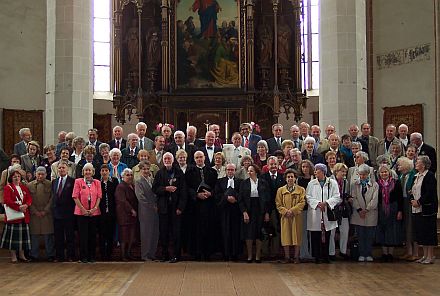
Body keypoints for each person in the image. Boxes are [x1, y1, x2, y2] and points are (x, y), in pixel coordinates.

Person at [153, 152, 187, 263]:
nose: (167, 160)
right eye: (165, 159)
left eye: (169, 159)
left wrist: (180, 208)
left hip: (175, 208)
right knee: (164, 232)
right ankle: (164, 255)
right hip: (163, 208)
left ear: (173, 160)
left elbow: (183, 192)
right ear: (163, 160)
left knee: (176, 233)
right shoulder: (159, 173)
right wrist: (165, 189)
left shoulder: (179, 173)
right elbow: (155, 189)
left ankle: (176, 255)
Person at [306, 163, 341, 264]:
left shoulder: (332, 183)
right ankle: (316, 256)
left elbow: (336, 196)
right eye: (315, 170)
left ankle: (326, 256)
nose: (316, 172)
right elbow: (308, 196)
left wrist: (326, 203)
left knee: (327, 235)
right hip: (315, 212)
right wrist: (317, 204)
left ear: (323, 172)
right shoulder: (311, 183)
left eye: (318, 170)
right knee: (315, 235)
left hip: (327, 211)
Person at [186, 151, 218, 260]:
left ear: (204, 158)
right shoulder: (189, 172)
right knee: (196, 229)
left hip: (209, 205)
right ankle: (197, 253)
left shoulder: (212, 171)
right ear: (194, 159)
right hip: (196, 206)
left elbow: (217, 187)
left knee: (209, 228)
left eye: (201, 157)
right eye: (197, 158)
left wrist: (211, 193)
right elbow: (187, 188)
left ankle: (208, 253)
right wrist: (196, 195)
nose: (199, 159)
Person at [238, 164, 270, 263]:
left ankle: (258, 256)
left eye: (251, 171)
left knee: (259, 232)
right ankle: (249, 255)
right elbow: (240, 199)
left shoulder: (263, 182)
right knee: (249, 233)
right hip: (249, 209)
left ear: (256, 172)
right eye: (248, 171)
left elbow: (268, 199)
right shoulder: (244, 183)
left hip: (260, 209)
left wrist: (267, 212)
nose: (249, 173)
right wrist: (244, 212)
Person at [1, 165, 32, 263]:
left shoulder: (23, 187)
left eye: (18, 176)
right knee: (13, 238)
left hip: (24, 216)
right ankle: (13, 256)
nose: (17, 178)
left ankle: (22, 255)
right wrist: (18, 207)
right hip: (14, 216)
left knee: (22, 238)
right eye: (15, 176)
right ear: (11, 178)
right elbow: (7, 201)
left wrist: (26, 205)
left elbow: (29, 198)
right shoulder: (8, 188)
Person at [72, 163, 101, 263]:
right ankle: (83, 256)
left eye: (89, 170)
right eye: (86, 170)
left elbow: (99, 197)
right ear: (83, 172)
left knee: (92, 235)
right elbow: (75, 196)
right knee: (83, 236)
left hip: (94, 212)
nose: (88, 172)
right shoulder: (78, 181)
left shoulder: (97, 182)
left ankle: (92, 256)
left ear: (93, 172)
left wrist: (94, 208)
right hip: (81, 213)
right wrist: (83, 209)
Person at [411, 156, 438, 264]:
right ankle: (424, 255)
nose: (416, 163)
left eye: (418, 162)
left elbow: (429, 192)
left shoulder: (429, 176)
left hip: (427, 208)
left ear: (424, 164)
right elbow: (413, 190)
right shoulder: (416, 176)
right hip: (417, 208)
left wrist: (419, 202)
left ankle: (430, 256)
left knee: (429, 232)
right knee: (421, 232)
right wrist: (413, 200)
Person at [275, 169, 306, 264]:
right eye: (288, 177)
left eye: (292, 176)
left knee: (297, 236)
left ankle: (296, 257)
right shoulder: (281, 190)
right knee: (286, 236)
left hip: (296, 216)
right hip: (285, 217)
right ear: (285, 179)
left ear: (295, 178)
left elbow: (302, 202)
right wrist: (285, 211)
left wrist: (292, 211)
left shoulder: (301, 190)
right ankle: (287, 257)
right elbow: (278, 203)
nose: (290, 178)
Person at [350, 164, 379, 262]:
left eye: (364, 174)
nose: (362, 176)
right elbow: (354, 198)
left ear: (368, 174)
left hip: (370, 213)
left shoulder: (375, 185)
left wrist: (367, 209)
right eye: (360, 174)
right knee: (361, 235)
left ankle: (369, 253)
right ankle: (362, 253)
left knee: (370, 236)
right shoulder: (355, 184)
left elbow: (374, 200)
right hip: (358, 214)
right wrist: (359, 210)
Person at [214, 163, 242, 261]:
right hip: (224, 211)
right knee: (225, 232)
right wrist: (226, 198)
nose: (230, 171)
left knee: (235, 232)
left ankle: (235, 254)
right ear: (225, 171)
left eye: (232, 170)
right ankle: (225, 254)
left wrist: (235, 199)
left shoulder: (240, 182)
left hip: (235, 210)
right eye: (228, 170)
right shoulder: (220, 181)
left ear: (235, 171)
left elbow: (242, 194)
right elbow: (216, 195)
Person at [376, 164, 403, 262]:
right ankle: (384, 253)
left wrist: (400, 211)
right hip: (381, 209)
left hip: (393, 208)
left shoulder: (396, 183)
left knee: (392, 230)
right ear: (379, 174)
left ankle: (390, 253)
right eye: (382, 172)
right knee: (382, 229)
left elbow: (400, 198)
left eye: (385, 171)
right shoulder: (377, 184)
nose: (384, 173)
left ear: (389, 172)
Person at [260, 156, 286, 259]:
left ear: (278, 165)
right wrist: (266, 211)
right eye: (271, 164)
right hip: (266, 209)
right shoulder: (262, 177)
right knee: (265, 230)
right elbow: (263, 196)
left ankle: (275, 253)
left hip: (279, 209)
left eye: (275, 164)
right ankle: (265, 253)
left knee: (277, 231)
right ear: (267, 165)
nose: (273, 166)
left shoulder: (282, 177)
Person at [27, 166, 54, 261]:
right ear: (35, 174)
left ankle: (50, 255)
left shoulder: (50, 184)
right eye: (39, 174)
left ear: (46, 174)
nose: (40, 176)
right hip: (34, 215)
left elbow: (52, 199)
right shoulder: (29, 185)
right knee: (34, 236)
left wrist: (46, 210)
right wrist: (34, 211)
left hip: (47, 214)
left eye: (42, 174)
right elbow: (28, 200)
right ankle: (33, 255)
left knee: (48, 236)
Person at [52, 160, 76, 262]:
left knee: (70, 236)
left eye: (63, 168)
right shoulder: (55, 182)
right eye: (60, 168)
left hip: (69, 213)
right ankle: (59, 256)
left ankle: (71, 256)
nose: (61, 169)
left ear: (67, 169)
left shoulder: (73, 181)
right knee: (58, 237)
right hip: (57, 214)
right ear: (57, 170)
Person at [135, 161, 159, 261]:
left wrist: (157, 205)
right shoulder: (138, 181)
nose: (146, 171)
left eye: (147, 169)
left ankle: (152, 254)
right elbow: (140, 197)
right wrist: (152, 206)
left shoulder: (152, 180)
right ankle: (145, 255)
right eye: (144, 169)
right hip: (145, 211)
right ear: (140, 170)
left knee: (155, 233)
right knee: (146, 234)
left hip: (155, 211)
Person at [396, 157, 418, 261]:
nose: (398, 167)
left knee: (412, 227)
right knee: (406, 227)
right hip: (403, 202)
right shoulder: (401, 176)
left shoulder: (413, 175)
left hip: (411, 203)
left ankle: (415, 253)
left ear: (405, 166)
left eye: (400, 165)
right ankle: (408, 251)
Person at [115, 168, 138, 261]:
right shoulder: (121, 186)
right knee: (124, 236)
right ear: (122, 176)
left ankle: (129, 253)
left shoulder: (132, 185)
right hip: (124, 214)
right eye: (127, 175)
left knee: (131, 235)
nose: (130, 177)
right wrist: (131, 210)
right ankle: (123, 255)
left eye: (131, 175)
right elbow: (122, 201)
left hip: (132, 215)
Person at [330, 163, 351, 260]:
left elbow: (347, 193)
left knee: (345, 230)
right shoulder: (330, 181)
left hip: (343, 209)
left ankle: (343, 251)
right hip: (333, 209)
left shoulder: (346, 182)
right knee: (332, 232)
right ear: (336, 171)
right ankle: (331, 252)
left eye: (345, 172)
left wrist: (348, 198)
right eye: (342, 171)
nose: (344, 173)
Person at [99, 164, 117, 261]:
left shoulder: (114, 181)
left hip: (111, 212)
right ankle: (102, 254)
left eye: (106, 170)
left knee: (110, 234)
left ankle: (109, 254)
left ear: (109, 171)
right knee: (102, 234)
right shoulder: (97, 182)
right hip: (101, 212)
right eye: (103, 170)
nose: (104, 172)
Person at [297, 160, 314, 261]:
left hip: (313, 209)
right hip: (302, 209)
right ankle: (303, 254)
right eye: (303, 167)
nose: (305, 169)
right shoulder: (298, 180)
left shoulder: (314, 179)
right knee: (303, 232)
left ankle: (312, 253)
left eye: (307, 167)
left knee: (312, 232)